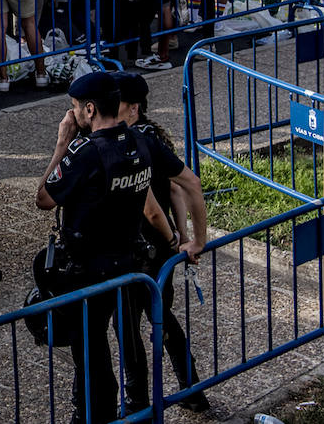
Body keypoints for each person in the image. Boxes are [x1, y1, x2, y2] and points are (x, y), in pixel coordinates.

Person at [35, 71, 189, 422]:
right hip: (127, 263)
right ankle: (142, 405)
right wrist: (173, 239)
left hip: (87, 271)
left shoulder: (86, 152)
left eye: (74, 108)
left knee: (91, 355)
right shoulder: (139, 141)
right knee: (128, 337)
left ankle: (96, 414)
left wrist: (61, 145)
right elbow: (180, 185)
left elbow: (44, 198)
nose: (71, 116)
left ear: (90, 109)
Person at [113, 71, 209, 412]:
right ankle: (191, 386)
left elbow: (171, 195)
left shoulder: (134, 143)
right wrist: (185, 237)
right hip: (161, 247)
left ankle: (137, 401)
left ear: (134, 108)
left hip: (142, 247)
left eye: (117, 102)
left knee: (128, 325)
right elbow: (174, 187)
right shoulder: (152, 135)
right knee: (161, 316)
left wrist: (189, 238)